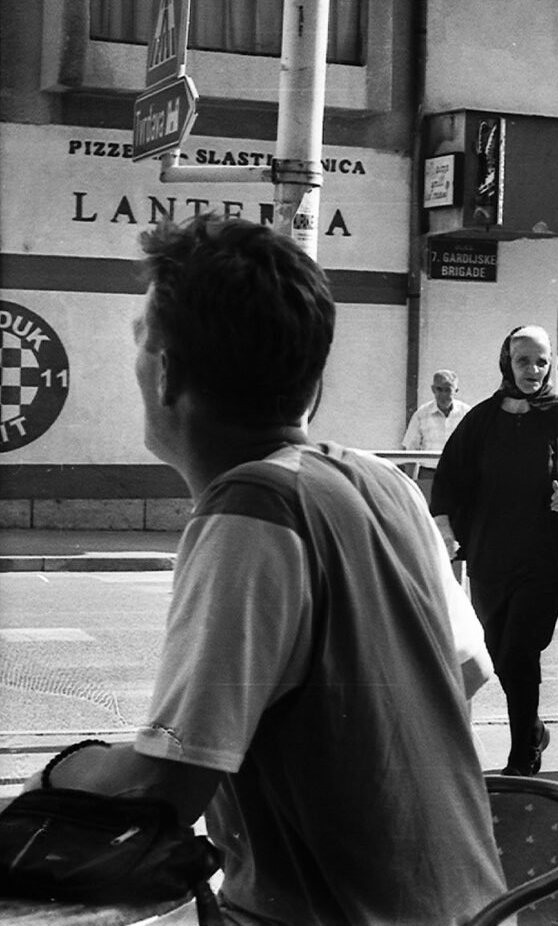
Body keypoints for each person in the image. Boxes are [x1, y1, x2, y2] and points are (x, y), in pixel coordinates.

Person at [25, 215, 504, 924]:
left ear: (163, 372)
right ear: (311, 382)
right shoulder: (386, 484)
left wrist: (52, 779)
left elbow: (168, 788)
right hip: (474, 906)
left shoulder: (252, 509)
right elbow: (466, 671)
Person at [431, 325, 558, 776]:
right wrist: (445, 526)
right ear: (507, 362)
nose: (533, 370)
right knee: (499, 652)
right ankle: (533, 729)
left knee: (521, 650)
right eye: (524, 360)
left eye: (541, 361)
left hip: (544, 557)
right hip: (490, 557)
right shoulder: (483, 419)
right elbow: (448, 477)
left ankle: (521, 755)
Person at [401, 368, 471, 456]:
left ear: (456, 390)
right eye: (439, 389)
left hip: (458, 469)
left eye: (448, 390)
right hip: (429, 468)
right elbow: (411, 449)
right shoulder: (421, 414)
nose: (443, 395)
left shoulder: (467, 413)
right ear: (433, 389)